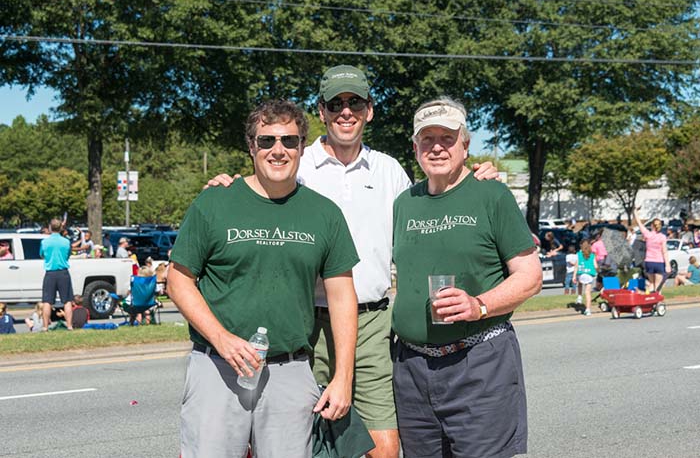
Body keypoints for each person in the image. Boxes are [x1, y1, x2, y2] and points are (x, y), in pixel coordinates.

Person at [205, 65, 498, 458]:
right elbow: (254, 194)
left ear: (369, 110)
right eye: (336, 103)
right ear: (321, 111)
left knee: (384, 449)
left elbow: (432, 205)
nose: (346, 111)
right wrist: (226, 185)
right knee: (295, 441)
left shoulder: (389, 170)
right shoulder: (295, 158)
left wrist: (474, 177)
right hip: (305, 322)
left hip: (372, 323)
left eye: (355, 102)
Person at [169, 100, 360, 457]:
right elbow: (178, 281)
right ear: (251, 146)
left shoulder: (324, 213)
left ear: (302, 147)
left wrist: (342, 378)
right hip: (217, 367)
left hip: (290, 371)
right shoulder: (213, 204)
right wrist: (223, 339)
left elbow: (342, 298)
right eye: (267, 140)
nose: (278, 150)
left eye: (289, 141)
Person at [391, 97, 542, 457]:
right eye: (427, 139)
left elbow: (530, 276)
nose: (437, 147)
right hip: (411, 370)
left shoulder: (491, 194)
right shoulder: (404, 203)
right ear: (414, 147)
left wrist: (479, 304)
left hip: (479, 365)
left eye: (447, 137)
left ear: (465, 143)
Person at [40, 218, 74, 331]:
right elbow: (68, 255)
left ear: (50, 227)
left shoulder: (45, 242)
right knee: (67, 300)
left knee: (47, 301)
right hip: (63, 272)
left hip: (50, 272)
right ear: (61, 228)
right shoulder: (66, 242)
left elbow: (42, 254)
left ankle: (45, 327)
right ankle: (69, 325)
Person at [633, 208, 670, 293]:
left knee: (651, 283)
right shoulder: (662, 237)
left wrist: (635, 212)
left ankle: (648, 300)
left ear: (652, 226)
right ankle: (656, 302)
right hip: (659, 262)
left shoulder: (648, 234)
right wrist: (667, 265)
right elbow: (664, 251)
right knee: (658, 284)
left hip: (649, 262)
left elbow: (639, 224)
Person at [574, 239, 598, 316]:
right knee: (588, 293)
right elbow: (595, 265)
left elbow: (576, 265)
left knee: (580, 283)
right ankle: (588, 309)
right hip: (590, 274)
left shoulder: (579, 254)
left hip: (581, 273)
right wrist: (598, 270)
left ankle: (580, 296)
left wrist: (574, 275)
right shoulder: (592, 255)